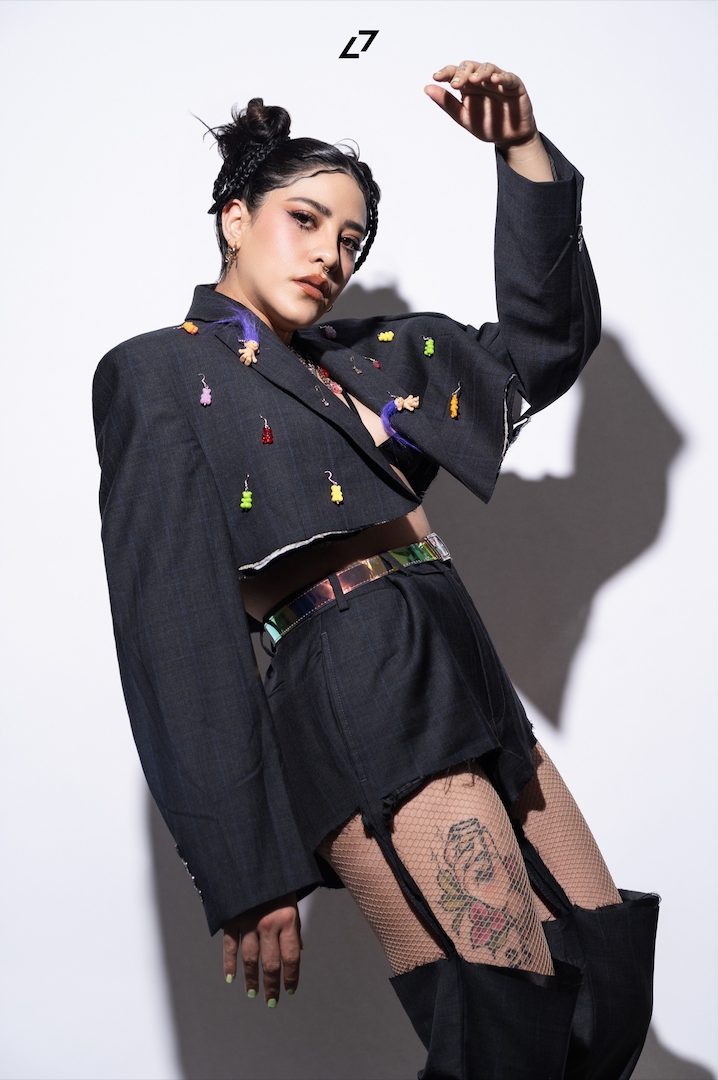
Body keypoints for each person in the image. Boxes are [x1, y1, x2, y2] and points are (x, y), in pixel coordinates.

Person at [94, 60, 658, 1079]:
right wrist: (247, 868)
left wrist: (521, 152)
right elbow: (169, 626)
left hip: (459, 658)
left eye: (351, 239)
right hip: (351, 678)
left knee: (606, 987)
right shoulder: (158, 369)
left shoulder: (375, 359)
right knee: (505, 1004)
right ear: (234, 219)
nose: (330, 254)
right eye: (305, 220)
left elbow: (543, 347)